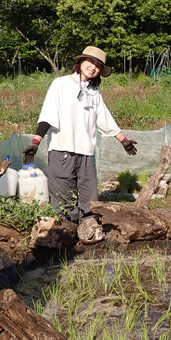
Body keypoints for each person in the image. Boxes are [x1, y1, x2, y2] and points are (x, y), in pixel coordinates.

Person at [23, 46, 137, 222]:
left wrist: (123, 140)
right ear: (80, 62)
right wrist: (35, 142)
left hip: (86, 153)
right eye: (90, 62)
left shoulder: (94, 92)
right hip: (62, 151)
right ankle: (65, 238)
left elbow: (104, 118)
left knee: (90, 200)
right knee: (62, 199)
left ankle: (89, 234)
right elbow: (48, 114)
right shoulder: (61, 84)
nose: (93, 67)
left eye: (98, 66)